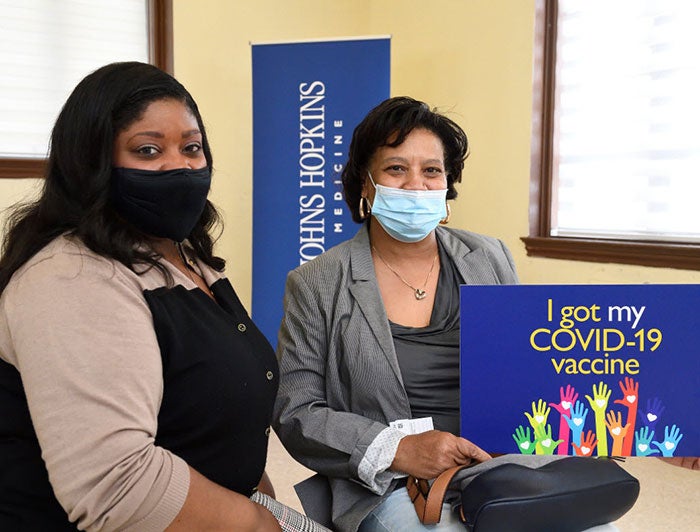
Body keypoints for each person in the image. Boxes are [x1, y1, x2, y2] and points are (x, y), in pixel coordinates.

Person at [0, 62, 283, 531]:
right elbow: (119, 486)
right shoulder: (69, 277)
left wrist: (267, 503)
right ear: (91, 162)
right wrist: (261, 523)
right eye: (148, 150)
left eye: (192, 148)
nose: (179, 166)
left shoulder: (186, 257)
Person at [273, 96, 519, 532]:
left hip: (502, 465)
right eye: (395, 169)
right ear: (365, 184)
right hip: (392, 484)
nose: (416, 186)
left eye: (431, 171)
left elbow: (533, 362)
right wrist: (399, 449)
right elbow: (297, 410)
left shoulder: (489, 256)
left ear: (447, 183)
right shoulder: (316, 282)